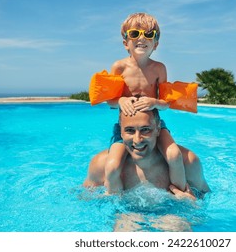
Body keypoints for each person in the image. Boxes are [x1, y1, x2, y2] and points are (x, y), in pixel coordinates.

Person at [104, 13, 187, 194]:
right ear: (126, 42)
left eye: (148, 34)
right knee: (111, 166)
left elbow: (166, 104)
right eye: (135, 34)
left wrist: (155, 101)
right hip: (126, 128)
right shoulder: (119, 67)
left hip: (154, 125)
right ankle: (114, 205)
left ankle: (180, 195)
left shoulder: (159, 68)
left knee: (174, 155)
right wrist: (121, 100)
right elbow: (110, 102)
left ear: (155, 44)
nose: (142, 38)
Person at [83, 109, 210, 198]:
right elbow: (84, 200)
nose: (137, 140)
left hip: (172, 219)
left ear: (158, 129)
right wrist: (104, 199)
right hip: (127, 219)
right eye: (129, 131)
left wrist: (191, 206)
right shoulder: (101, 164)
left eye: (145, 130)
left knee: (177, 226)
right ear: (120, 133)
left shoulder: (187, 161)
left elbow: (207, 200)